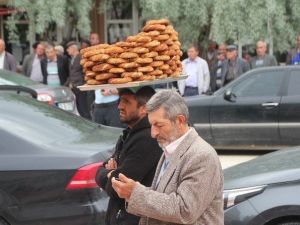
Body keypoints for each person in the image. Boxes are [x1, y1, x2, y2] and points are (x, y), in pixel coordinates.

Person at [111, 90, 224, 225]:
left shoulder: (202, 156)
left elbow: (185, 210)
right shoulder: (170, 148)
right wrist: (131, 192)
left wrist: (135, 193)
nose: (153, 133)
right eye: (151, 125)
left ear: (180, 120)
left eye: (158, 125)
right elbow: (162, 195)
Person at [96, 86, 162, 225]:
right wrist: (109, 173)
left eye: (126, 101)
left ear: (143, 108)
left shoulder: (147, 139)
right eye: (120, 100)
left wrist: (110, 173)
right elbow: (100, 171)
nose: (119, 106)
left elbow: (118, 185)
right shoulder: (129, 134)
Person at [89, 32, 122, 127]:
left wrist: (111, 91)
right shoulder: (95, 67)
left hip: (113, 106)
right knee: (99, 135)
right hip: (98, 106)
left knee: (115, 134)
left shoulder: (116, 68)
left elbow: (124, 87)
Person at [65, 41, 91, 119]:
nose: (67, 50)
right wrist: (67, 84)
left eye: (68, 48)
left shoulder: (81, 57)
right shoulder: (71, 59)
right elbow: (72, 74)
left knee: (84, 109)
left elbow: (85, 72)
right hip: (74, 88)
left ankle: (88, 123)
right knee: (79, 109)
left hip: (81, 88)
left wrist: (84, 84)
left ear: (73, 48)